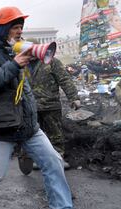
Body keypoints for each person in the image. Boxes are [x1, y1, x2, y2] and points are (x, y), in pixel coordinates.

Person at [0, 6, 100, 209]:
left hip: (27, 124)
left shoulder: (19, 51)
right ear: (2, 30)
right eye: (14, 27)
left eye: (21, 27)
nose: (19, 32)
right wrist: (14, 64)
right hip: (2, 127)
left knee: (53, 162)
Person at [19, 40, 81, 174]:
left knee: (55, 134)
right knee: (34, 135)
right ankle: (38, 159)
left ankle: (59, 158)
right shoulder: (23, 65)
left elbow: (64, 79)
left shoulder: (51, 61)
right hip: (31, 108)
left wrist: (74, 97)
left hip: (50, 105)